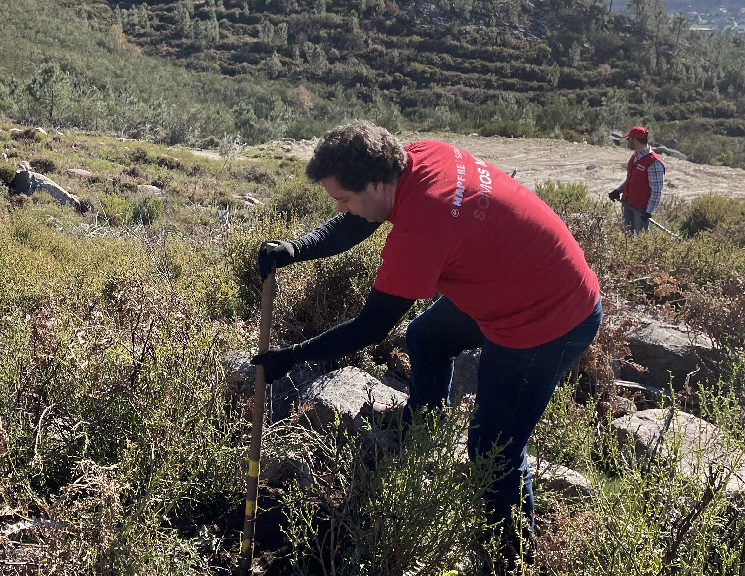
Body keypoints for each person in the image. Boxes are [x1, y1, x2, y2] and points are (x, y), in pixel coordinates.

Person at [253, 121, 601, 565]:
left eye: (342, 198)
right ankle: (424, 433)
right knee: (427, 338)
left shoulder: (423, 226)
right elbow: (361, 218)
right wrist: (298, 248)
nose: (341, 207)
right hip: (523, 278)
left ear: (377, 183)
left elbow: (372, 326)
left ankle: (509, 557)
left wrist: (294, 359)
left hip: (548, 319)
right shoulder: (417, 157)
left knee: (494, 449)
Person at [608, 126, 664, 235]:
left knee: (641, 239)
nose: (627, 142)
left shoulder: (654, 162)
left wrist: (648, 212)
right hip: (627, 203)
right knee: (626, 236)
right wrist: (618, 191)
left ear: (635, 141)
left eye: (628, 139)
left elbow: (656, 191)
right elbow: (631, 180)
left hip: (641, 208)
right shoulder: (635, 157)